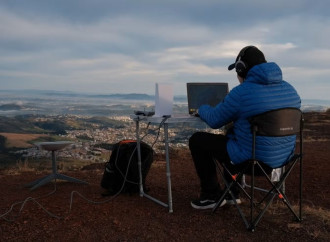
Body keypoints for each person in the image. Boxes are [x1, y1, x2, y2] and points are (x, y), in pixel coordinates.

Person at [189, 45, 301, 209]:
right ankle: (231, 193)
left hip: (251, 161)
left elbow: (214, 121)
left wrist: (202, 108)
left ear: (241, 69)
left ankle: (211, 195)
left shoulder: (241, 92)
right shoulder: (291, 90)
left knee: (198, 140)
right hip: (283, 159)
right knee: (233, 133)